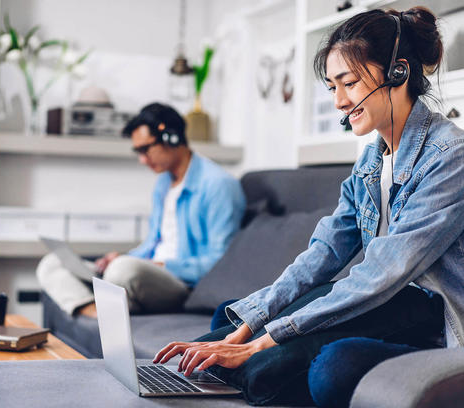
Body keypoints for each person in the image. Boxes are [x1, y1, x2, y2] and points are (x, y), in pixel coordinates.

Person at [154, 7, 464, 407]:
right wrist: (253, 320)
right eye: (332, 87)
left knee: (329, 368)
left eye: (348, 83)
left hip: (427, 315)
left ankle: (262, 370)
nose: (338, 101)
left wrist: (265, 340)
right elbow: (324, 252)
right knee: (229, 321)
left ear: (398, 73)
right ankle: (252, 368)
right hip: (382, 303)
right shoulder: (371, 161)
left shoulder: (450, 157)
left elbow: (384, 274)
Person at [37, 102, 246, 318]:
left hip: (181, 285)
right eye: (138, 151)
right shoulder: (164, 182)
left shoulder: (218, 185)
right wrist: (124, 257)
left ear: (171, 138)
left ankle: (108, 305)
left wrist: (158, 265)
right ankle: (97, 312)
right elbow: (153, 244)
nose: (142, 159)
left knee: (122, 270)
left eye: (146, 149)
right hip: (144, 274)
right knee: (52, 264)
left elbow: (219, 263)